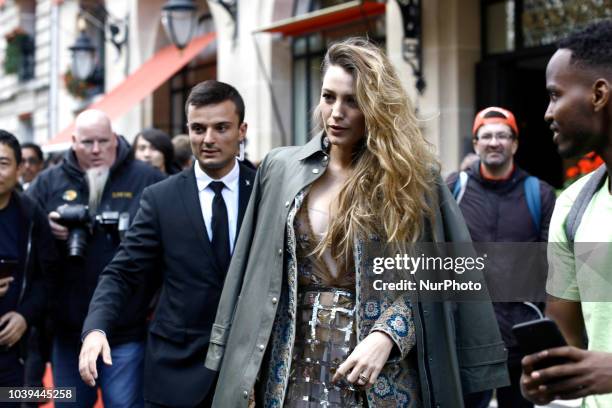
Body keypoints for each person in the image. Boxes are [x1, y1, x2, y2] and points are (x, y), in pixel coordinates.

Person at [205, 38, 508, 407]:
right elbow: (249, 275)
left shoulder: (412, 179)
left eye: (352, 101)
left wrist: (389, 335)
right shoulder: (280, 169)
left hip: (380, 377)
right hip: (289, 372)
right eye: (328, 96)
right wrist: (244, 372)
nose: (336, 112)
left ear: (376, 107)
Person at [79, 80, 256, 407]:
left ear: (241, 130)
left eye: (221, 128)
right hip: (175, 371)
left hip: (249, 373)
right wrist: (96, 329)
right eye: (198, 128)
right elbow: (123, 271)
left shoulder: (264, 191)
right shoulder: (161, 197)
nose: (208, 139)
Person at [27, 109, 164, 407]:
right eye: (88, 142)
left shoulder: (146, 180)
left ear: (115, 139)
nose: (96, 150)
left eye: (104, 141)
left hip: (127, 329)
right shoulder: (48, 183)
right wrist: (45, 229)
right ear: (73, 142)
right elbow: (21, 240)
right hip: (68, 332)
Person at [520, 20, 612, 407]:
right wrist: (550, 377)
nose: (547, 113)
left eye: (555, 95)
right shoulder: (573, 206)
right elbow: (567, 336)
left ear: (599, 93)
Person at [447, 107, 556, 407]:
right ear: (476, 143)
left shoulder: (540, 194)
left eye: (502, 135)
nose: (494, 142)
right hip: (468, 338)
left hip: (521, 338)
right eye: (487, 136)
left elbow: (554, 266)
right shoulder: (453, 189)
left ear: (515, 143)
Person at [0, 131, 56, 406]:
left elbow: (47, 279)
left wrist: (25, 316)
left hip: (11, 347)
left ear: (19, 168)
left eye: (2, 163)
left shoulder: (31, 214)